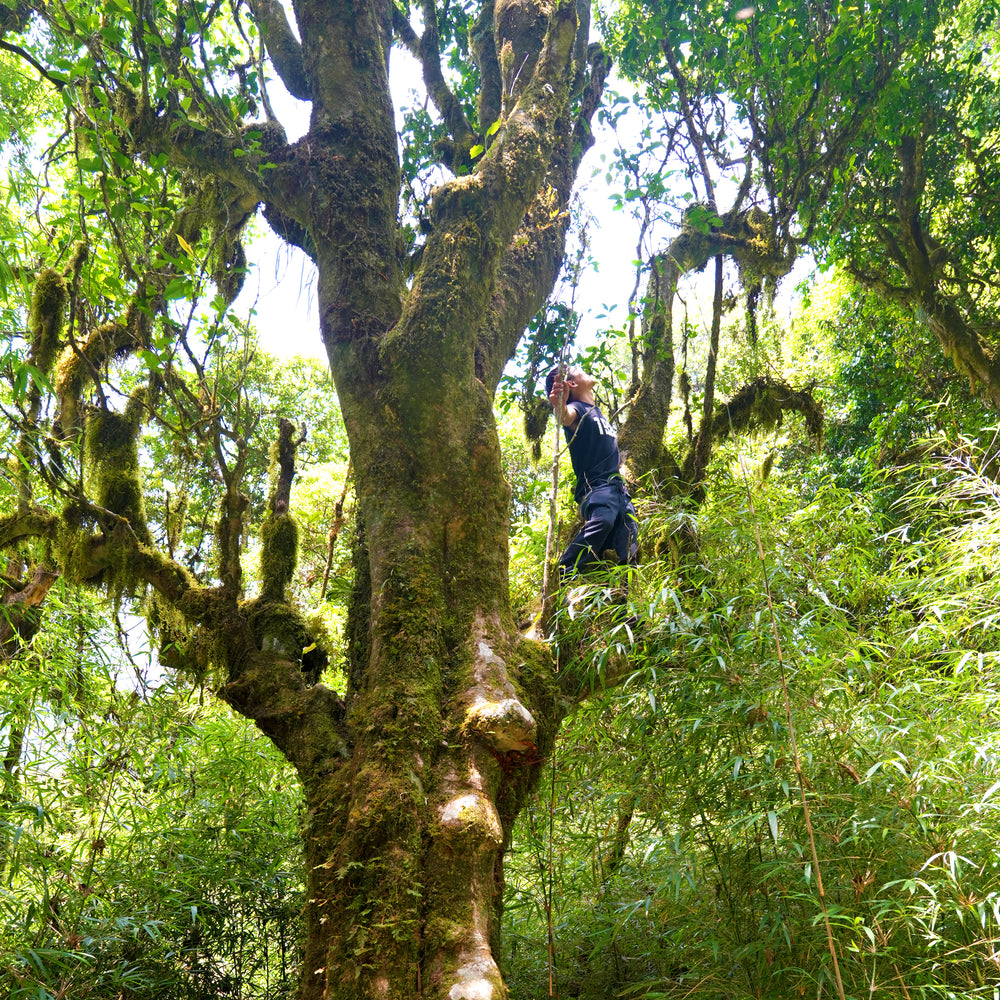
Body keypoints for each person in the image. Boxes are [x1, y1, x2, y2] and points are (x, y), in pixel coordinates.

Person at [545, 366, 638, 580]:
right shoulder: (577, 409)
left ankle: (624, 606)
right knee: (603, 520)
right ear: (573, 384)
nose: (583, 369)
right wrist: (559, 404)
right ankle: (562, 572)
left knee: (628, 544)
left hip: (619, 491)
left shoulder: (596, 412)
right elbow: (565, 417)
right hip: (597, 488)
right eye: (576, 370)